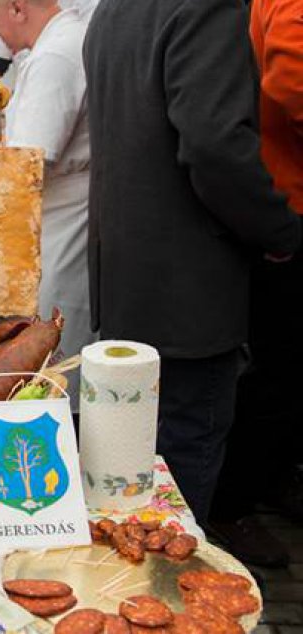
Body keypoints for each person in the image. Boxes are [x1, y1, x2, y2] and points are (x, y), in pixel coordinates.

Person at [84, 0, 302, 525]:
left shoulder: (112, 9)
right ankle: (171, 595)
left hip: (125, 281)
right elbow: (215, 145)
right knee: (179, 473)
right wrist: (279, 229)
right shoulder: (206, 5)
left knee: (131, 472)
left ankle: (142, 593)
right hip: (185, 294)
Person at [208, 0, 303, 568]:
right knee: (281, 368)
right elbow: (291, 82)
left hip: (276, 197)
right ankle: (233, 501)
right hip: (285, 205)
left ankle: (266, 480)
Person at [0, 0, 97, 403]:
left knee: (54, 367)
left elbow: (24, 165)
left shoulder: (54, 57)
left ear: (16, 7)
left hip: (60, 228)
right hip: (62, 220)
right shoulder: (60, 45)